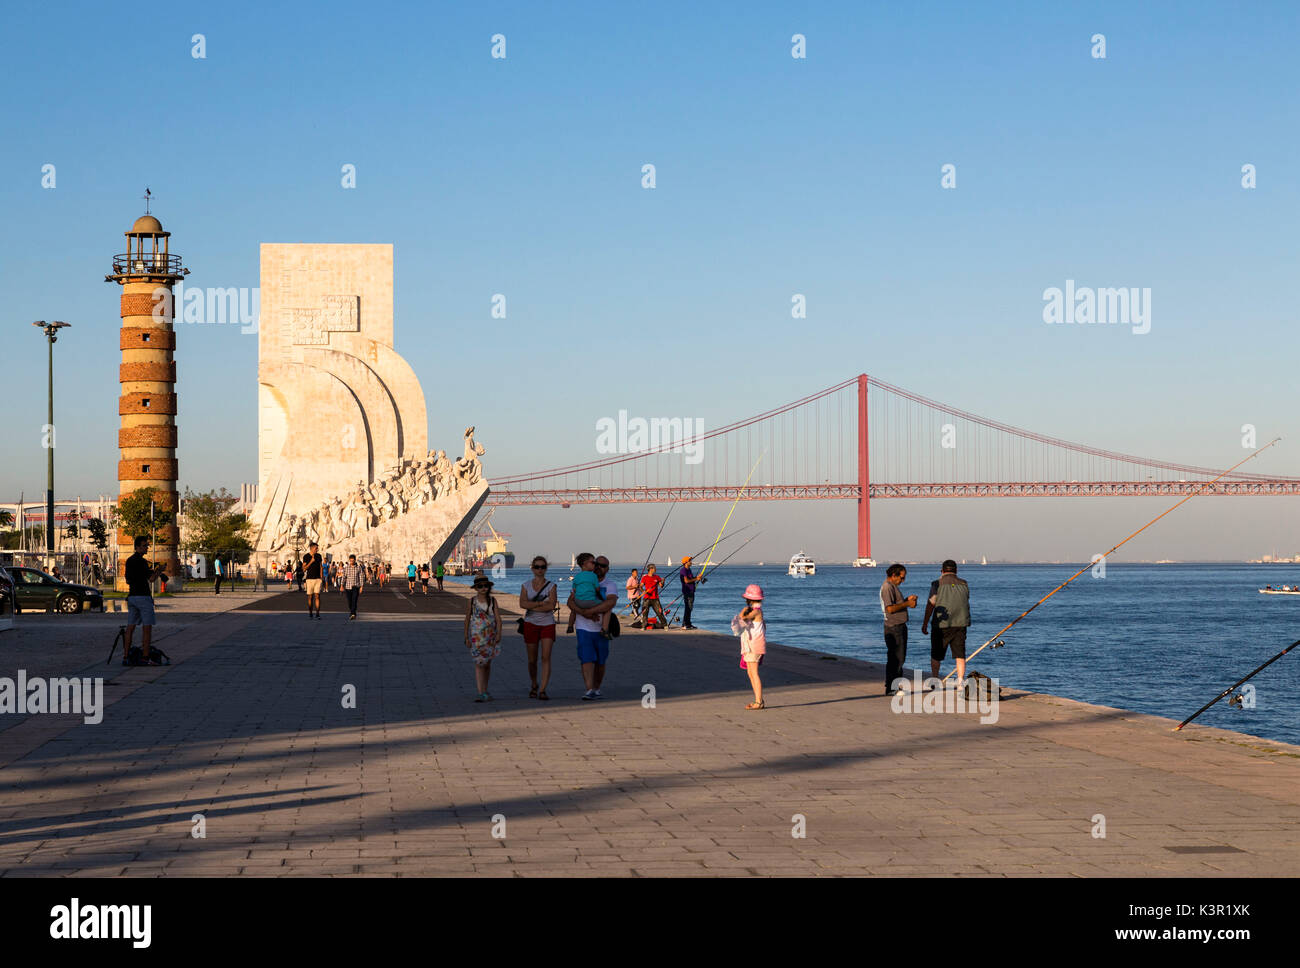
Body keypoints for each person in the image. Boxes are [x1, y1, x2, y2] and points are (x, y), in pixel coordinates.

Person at [567, 555, 618, 700]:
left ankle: (597, 687)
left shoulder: (610, 585)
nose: (599, 567)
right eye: (597, 564)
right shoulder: (584, 580)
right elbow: (570, 602)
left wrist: (589, 612)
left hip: (601, 629)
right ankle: (589, 689)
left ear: (607, 569)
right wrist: (584, 614)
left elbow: (611, 603)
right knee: (586, 658)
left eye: (603, 566)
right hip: (583, 627)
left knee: (601, 661)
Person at [122, 535, 166, 665]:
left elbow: (128, 579)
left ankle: (125, 656)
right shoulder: (142, 562)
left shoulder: (129, 560)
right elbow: (151, 579)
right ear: (137, 547)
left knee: (130, 627)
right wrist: (159, 571)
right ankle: (145, 657)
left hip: (132, 596)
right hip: (143, 596)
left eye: (147, 545)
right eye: (144, 545)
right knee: (147, 627)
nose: (147, 547)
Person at [519, 556, 558, 700]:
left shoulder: (551, 586)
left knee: (545, 657)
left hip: (547, 624)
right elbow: (522, 604)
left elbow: (551, 606)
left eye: (542, 567)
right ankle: (534, 684)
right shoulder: (526, 585)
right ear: (532, 568)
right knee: (532, 660)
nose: (540, 569)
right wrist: (541, 604)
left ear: (546, 568)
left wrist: (533, 604)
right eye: (537, 567)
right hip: (530, 623)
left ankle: (542, 689)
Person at [928, 559, 971, 687]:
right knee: (960, 654)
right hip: (960, 623)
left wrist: (925, 623)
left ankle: (935, 680)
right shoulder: (964, 583)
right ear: (956, 570)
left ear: (942, 571)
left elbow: (931, 604)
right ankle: (960, 681)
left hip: (941, 625)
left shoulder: (937, 584)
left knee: (936, 654)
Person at [879, 564, 917, 695]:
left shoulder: (891, 587)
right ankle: (892, 687)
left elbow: (895, 605)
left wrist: (906, 600)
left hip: (897, 626)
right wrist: (907, 604)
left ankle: (892, 685)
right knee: (897, 658)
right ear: (894, 575)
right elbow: (889, 608)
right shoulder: (887, 587)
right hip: (894, 627)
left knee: (896, 657)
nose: (903, 580)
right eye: (902, 578)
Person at [465, 574, 502, 701]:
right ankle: (481, 692)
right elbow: (467, 619)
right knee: (479, 663)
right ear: (476, 588)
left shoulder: (492, 601)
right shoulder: (472, 601)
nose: (483, 588)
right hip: (477, 637)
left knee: (487, 664)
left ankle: (485, 690)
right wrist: (466, 636)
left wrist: (499, 634)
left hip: (490, 636)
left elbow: (498, 618)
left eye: (485, 586)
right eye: (480, 586)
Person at [732, 583, 767, 709]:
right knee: (750, 673)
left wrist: (742, 612)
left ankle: (759, 701)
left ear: (750, 599)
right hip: (750, 644)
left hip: (754, 645)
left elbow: (743, 618)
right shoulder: (757, 611)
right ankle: (758, 700)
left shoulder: (756, 612)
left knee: (754, 672)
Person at [568, 553, 612, 638]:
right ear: (585, 564)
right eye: (593, 562)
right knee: (607, 607)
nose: (594, 565)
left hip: (578, 601)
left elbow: (574, 590)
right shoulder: (593, 576)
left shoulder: (577, 577)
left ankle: (570, 626)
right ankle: (604, 629)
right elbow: (597, 589)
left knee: (573, 610)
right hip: (590, 601)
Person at [678, 556, 705, 629]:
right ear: (686, 562)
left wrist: (697, 578)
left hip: (691, 591)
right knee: (688, 608)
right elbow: (686, 581)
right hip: (687, 591)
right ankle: (684, 624)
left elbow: (691, 579)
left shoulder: (689, 570)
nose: (691, 561)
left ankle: (688, 624)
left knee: (690, 608)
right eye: (690, 560)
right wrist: (696, 578)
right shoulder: (683, 570)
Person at [639, 563, 669, 629]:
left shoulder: (657, 577)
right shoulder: (645, 577)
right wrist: (643, 591)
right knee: (645, 613)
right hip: (647, 598)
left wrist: (663, 581)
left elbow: (661, 586)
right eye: (654, 568)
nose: (655, 569)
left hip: (655, 598)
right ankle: (643, 626)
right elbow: (640, 586)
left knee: (659, 612)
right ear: (650, 569)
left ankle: (665, 625)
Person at [303, 543, 325, 619]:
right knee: (310, 597)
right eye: (316, 548)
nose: (317, 549)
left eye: (317, 548)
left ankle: (318, 614)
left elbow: (321, 567)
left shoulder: (319, 556)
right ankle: (310, 613)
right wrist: (311, 561)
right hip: (309, 579)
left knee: (317, 596)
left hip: (318, 579)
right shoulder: (306, 556)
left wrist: (321, 577)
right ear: (311, 548)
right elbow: (304, 568)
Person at [341, 553, 365, 620]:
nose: (351, 562)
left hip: (355, 586)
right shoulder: (346, 568)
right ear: (349, 560)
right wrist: (342, 585)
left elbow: (361, 577)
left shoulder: (358, 568)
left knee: (354, 600)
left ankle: (353, 613)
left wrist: (361, 587)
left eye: (352, 561)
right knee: (349, 601)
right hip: (348, 587)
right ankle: (352, 612)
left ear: (355, 560)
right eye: (350, 561)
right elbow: (344, 577)